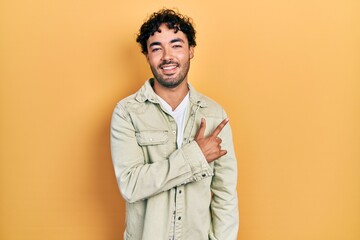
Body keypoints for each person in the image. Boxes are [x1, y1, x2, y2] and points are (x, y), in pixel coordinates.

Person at [110, 8, 239, 240]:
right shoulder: (127, 113)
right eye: (156, 48)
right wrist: (195, 157)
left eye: (176, 45)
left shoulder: (214, 114)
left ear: (191, 51)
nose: (167, 56)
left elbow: (225, 194)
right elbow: (131, 185)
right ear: (147, 56)